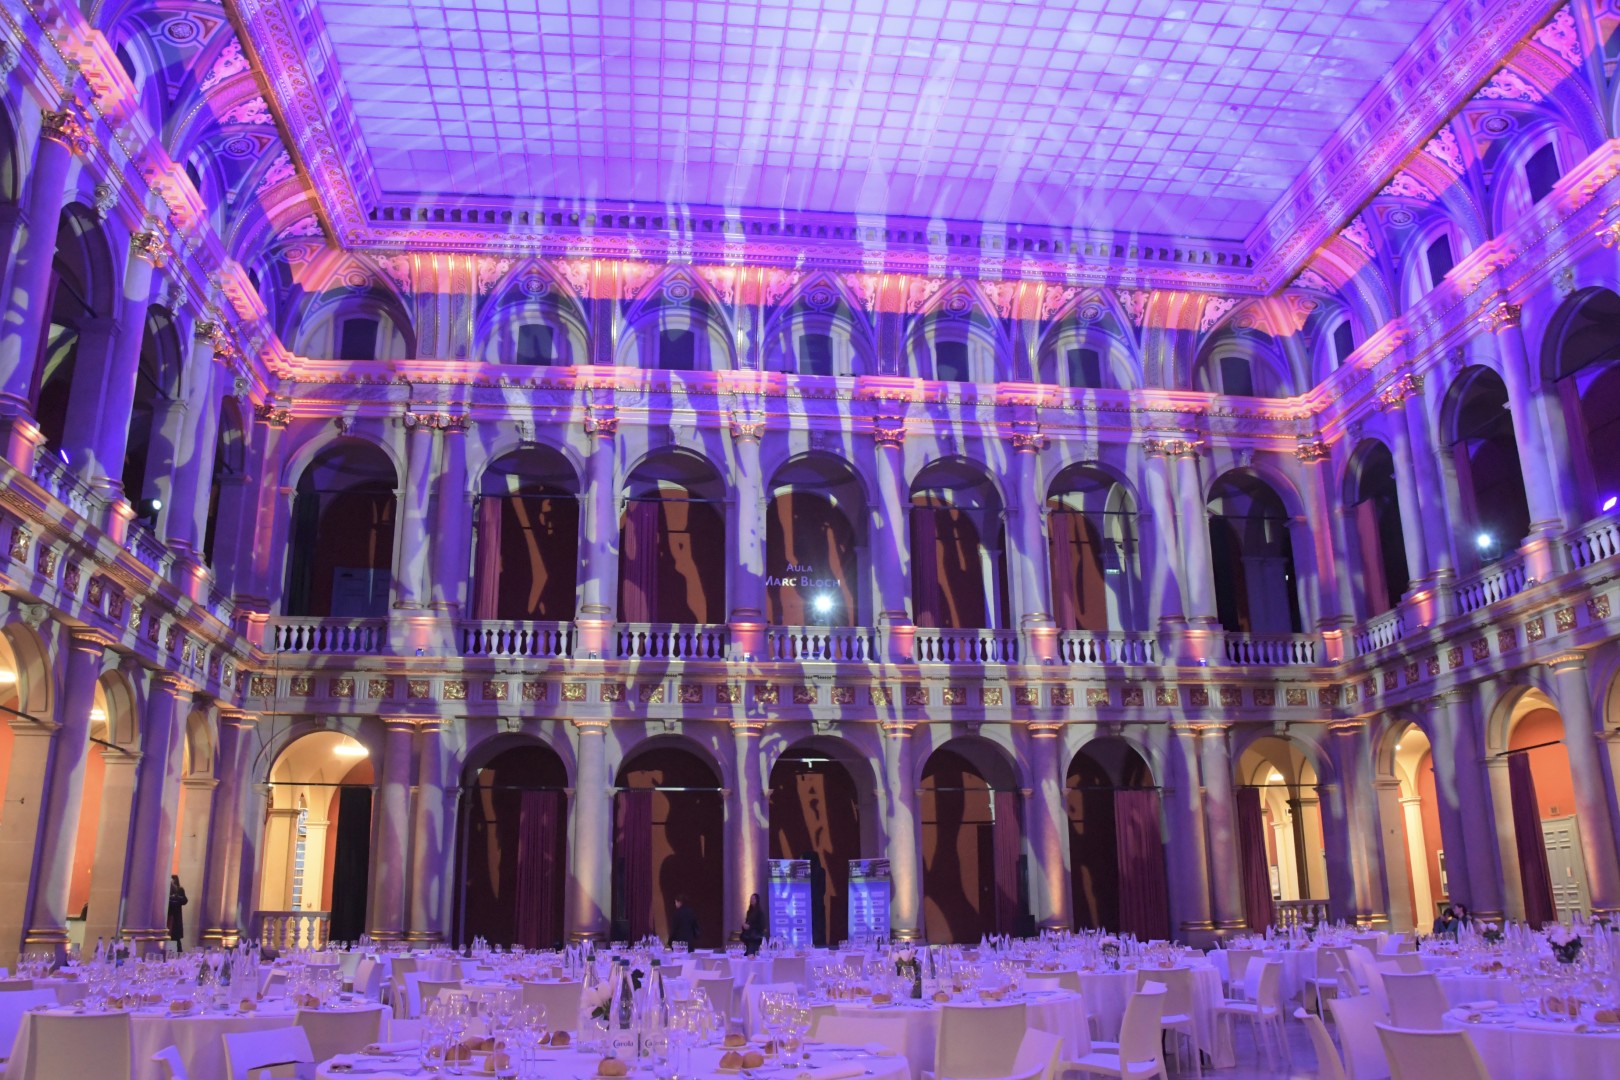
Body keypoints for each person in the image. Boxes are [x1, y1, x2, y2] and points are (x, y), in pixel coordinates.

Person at [167, 875, 188, 953]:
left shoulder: (180, 890)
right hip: (169, 917)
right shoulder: (167, 889)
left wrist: (175, 898)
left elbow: (184, 901)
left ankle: (177, 954)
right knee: (170, 938)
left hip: (175, 918)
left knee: (175, 939)